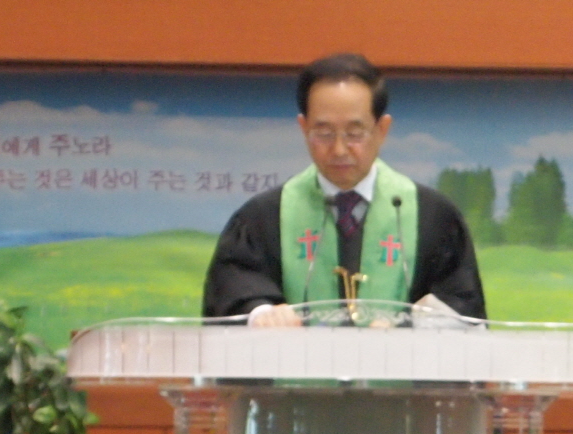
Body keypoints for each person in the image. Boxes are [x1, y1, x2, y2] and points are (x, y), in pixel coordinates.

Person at [202, 53, 486, 325]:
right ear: (303, 128)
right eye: (324, 133)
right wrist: (263, 314)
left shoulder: (432, 217)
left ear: (382, 130)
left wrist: (406, 328)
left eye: (354, 133)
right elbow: (232, 295)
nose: (339, 149)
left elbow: (462, 310)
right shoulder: (264, 217)